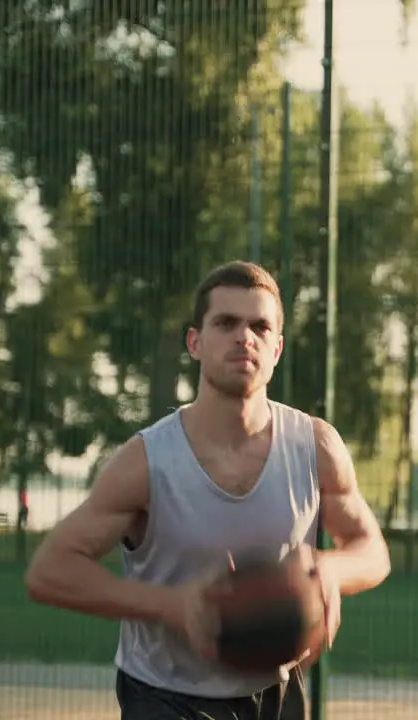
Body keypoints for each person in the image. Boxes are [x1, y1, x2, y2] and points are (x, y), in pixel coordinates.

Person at [24, 261, 391, 720]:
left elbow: (372, 550)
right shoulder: (147, 461)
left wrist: (326, 573)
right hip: (165, 696)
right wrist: (172, 605)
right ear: (195, 343)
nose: (244, 337)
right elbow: (49, 571)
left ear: (277, 349)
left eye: (260, 326)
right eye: (226, 323)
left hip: (276, 693)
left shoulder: (314, 445)